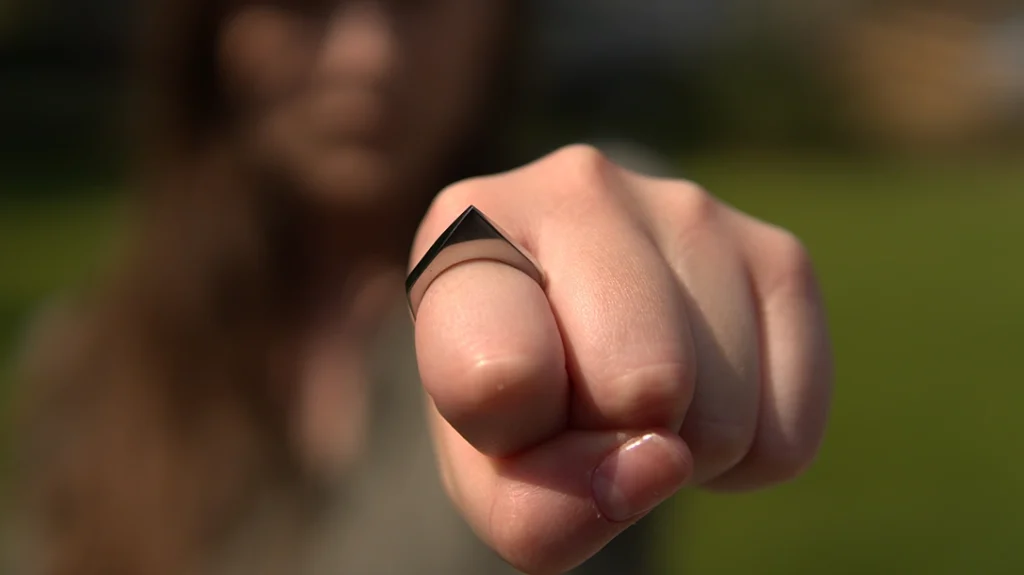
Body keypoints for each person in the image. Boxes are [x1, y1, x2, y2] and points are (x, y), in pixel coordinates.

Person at [8, 1, 833, 574]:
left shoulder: (553, 281)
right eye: (301, 1)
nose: (368, 55)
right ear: (214, 35)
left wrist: (632, 261)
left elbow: (588, 219)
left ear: (494, 25)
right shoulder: (80, 359)